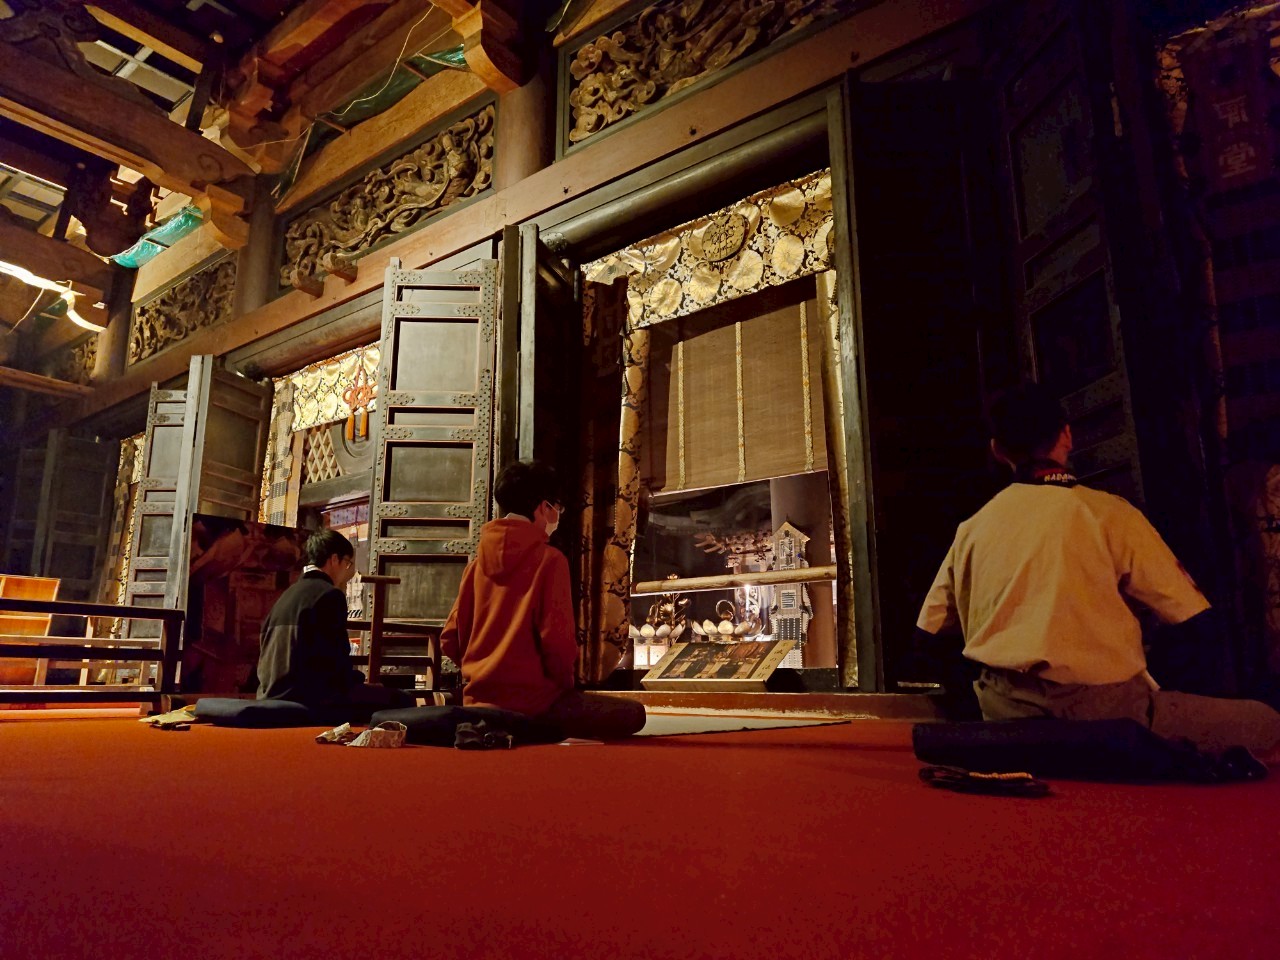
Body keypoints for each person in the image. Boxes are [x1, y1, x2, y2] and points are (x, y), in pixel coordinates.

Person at [915, 382, 1280, 759]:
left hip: (1005, 714)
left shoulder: (973, 528)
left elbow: (928, 637)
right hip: (1103, 714)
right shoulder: (1108, 514)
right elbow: (1194, 622)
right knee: (1265, 722)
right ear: (1067, 435)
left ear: (997, 450)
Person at [440, 460, 646, 740]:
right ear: (543, 507)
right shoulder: (550, 561)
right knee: (634, 713)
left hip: (478, 704)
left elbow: (449, 639)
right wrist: (562, 687)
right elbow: (557, 643)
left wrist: (481, 673)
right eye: (558, 507)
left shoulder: (475, 567)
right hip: (537, 706)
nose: (558, 514)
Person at [257, 529, 412, 721]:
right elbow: (335, 662)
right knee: (402, 699)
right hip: (311, 698)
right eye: (348, 563)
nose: (348, 571)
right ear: (334, 559)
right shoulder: (329, 594)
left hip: (271, 694)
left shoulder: (287, 595)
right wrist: (360, 681)